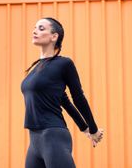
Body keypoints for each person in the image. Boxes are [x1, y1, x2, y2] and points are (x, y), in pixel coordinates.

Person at [21, 17, 104, 168]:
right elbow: (63, 100)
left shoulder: (63, 64)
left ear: (54, 36)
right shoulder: (35, 67)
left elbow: (78, 98)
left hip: (53, 136)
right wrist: (83, 127)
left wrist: (93, 128)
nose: (34, 31)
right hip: (34, 140)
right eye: (34, 27)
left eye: (41, 28)